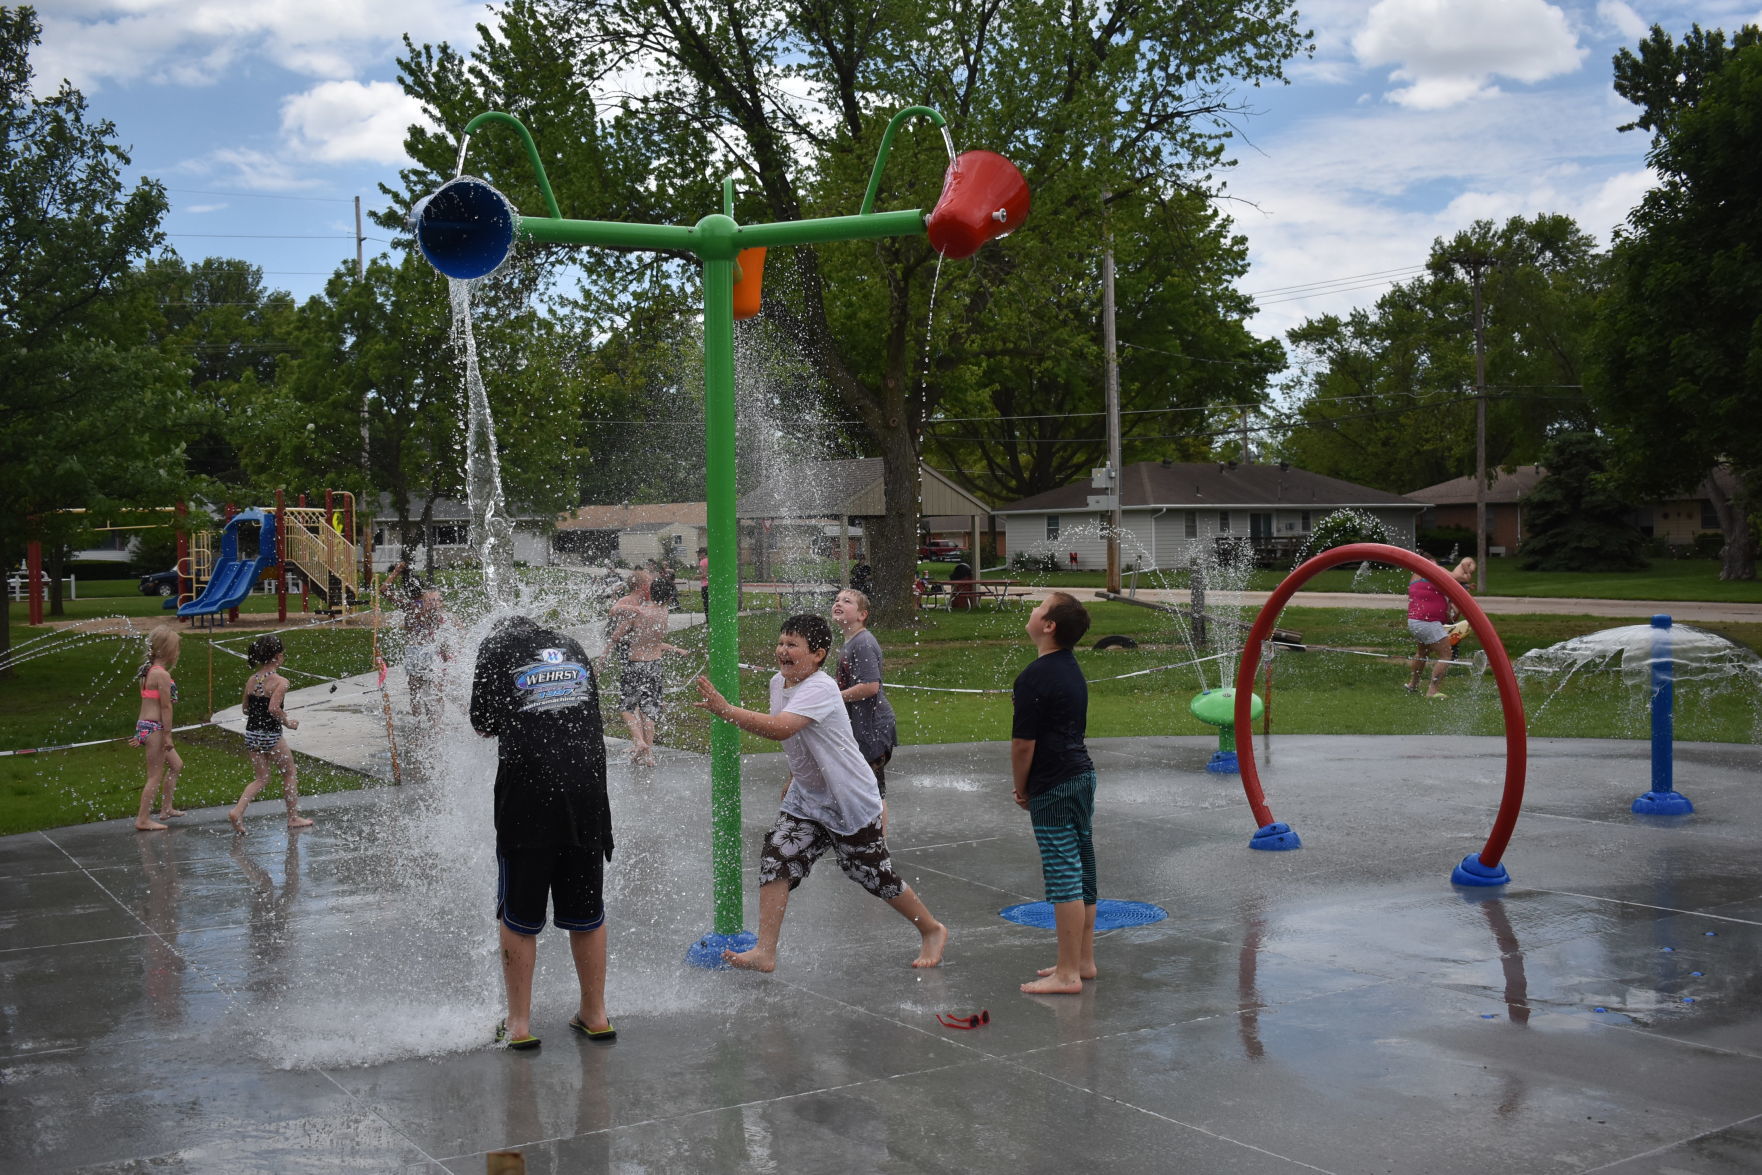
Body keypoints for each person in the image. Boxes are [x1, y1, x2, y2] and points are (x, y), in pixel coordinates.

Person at [693, 614, 947, 973]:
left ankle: (932, 929)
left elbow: (782, 728)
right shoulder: (778, 683)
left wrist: (726, 710)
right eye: (781, 642)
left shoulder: (821, 688)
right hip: (808, 797)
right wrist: (793, 776)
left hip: (849, 799)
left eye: (792, 644)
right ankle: (766, 951)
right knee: (776, 860)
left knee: (874, 875)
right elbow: (798, 739)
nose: (783, 650)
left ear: (818, 654)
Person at [470, 613, 616, 1051]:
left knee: (519, 914)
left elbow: (482, 723)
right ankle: (595, 1014)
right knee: (587, 909)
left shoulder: (494, 648)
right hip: (588, 794)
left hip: (528, 798)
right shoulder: (573, 645)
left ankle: (518, 1024)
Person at [1011, 591, 1099, 995]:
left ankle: (1067, 975)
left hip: (1053, 782)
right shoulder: (1069, 667)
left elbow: (1023, 745)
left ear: (1049, 626)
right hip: (1081, 775)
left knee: (1063, 874)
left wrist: (1021, 786)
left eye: (1038, 607)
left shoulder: (1034, 676)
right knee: (1082, 865)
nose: (1032, 610)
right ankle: (1083, 960)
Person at [229, 634, 314, 834]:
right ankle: (293, 818)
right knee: (289, 773)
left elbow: (245, 709)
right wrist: (288, 722)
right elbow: (274, 709)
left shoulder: (252, 680)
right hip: (271, 735)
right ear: (277, 657)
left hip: (251, 734)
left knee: (261, 779)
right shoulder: (280, 682)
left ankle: (237, 811)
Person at [830, 589, 898, 831]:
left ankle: (878, 845)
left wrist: (833, 697)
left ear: (862, 614)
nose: (838, 603)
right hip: (864, 727)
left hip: (874, 728)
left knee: (872, 788)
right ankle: (868, 840)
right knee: (865, 786)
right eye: (837, 600)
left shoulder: (863, 642)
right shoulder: (851, 641)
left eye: (847, 601)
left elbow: (870, 686)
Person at [605, 588, 688, 767]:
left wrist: (627, 621)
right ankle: (648, 754)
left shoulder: (639, 613)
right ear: (669, 598)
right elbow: (654, 642)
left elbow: (616, 634)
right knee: (649, 711)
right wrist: (676, 649)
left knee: (626, 707)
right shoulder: (664, 613)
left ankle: (639, 741)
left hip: (636, 664)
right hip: (654, 665)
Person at [132, 627, 184, 832]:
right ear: (168, 650)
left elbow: (144, 704)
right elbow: (165, 706)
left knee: (177, 765)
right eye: (177, 648)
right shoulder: (160, 675)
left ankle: (166, 808)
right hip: (156, 728)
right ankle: (143, 819)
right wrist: (168, 735)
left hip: (146, 726)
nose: (178, 652)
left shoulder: (146, 672)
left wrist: (139, 733)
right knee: (154, 775)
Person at [1405, 559, 1456, 699]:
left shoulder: (1416, 577)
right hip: (1427, 622)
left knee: (1422, 653)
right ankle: (1432, 690)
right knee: (1446, 654)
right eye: (1434, 564)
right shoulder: (1430, 574)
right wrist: (1466, 564)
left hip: (1415, 621)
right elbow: (1457, 577)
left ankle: (1413, 685)